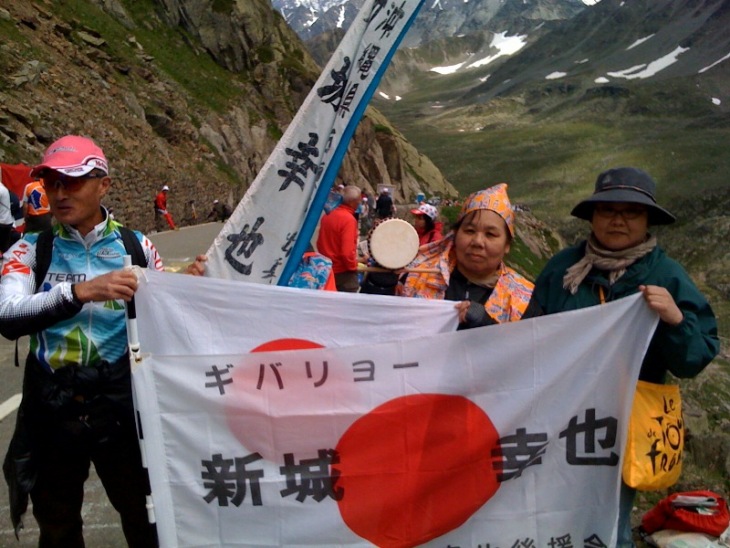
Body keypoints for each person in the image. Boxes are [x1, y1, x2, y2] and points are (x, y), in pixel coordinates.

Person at [530, 167, 719, 546]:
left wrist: (675, 319)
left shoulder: (667, 276)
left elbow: (693, 359)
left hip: (625, 428)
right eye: (607, 210)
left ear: (647, 219)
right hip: (558, 421)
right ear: (593, 217)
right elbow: (529, 339)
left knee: (608, 519)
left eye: (630, 211)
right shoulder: (561, 269)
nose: (618, 219)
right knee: (548, 512)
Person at [0, 135, 163, 547]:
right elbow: (7, 316)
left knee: (145, 519)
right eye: (51, 183)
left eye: (71, 182)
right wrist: (80, 292)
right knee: (57, 527)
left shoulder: (137, 246)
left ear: (103, 184)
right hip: (53, 407)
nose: (59, 193)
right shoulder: (31, 248)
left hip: (120, 408)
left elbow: (169, 318)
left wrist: (192, 284)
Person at [398, 183, 540, 329]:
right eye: (470, 231)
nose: (478, 242)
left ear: (507, 245)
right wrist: (380, 286)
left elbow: (529, 349)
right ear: (455, 234)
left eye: (490, 234)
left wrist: (488, 325)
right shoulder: (415, 276)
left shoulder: (524, 302)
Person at [316, 185, 361, 292]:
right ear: (353, 202)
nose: (360, 203)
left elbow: (320, 243)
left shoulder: (327, 215)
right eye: (359, 200)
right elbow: (346, 252)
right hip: (342, 272)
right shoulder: (349, 220)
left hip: (326, 269)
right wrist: (353, 266)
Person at [0, 181, 15, 252]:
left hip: (2, 222)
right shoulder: (4, 188)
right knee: (5, 247)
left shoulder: (0, 189)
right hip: (7, 221)